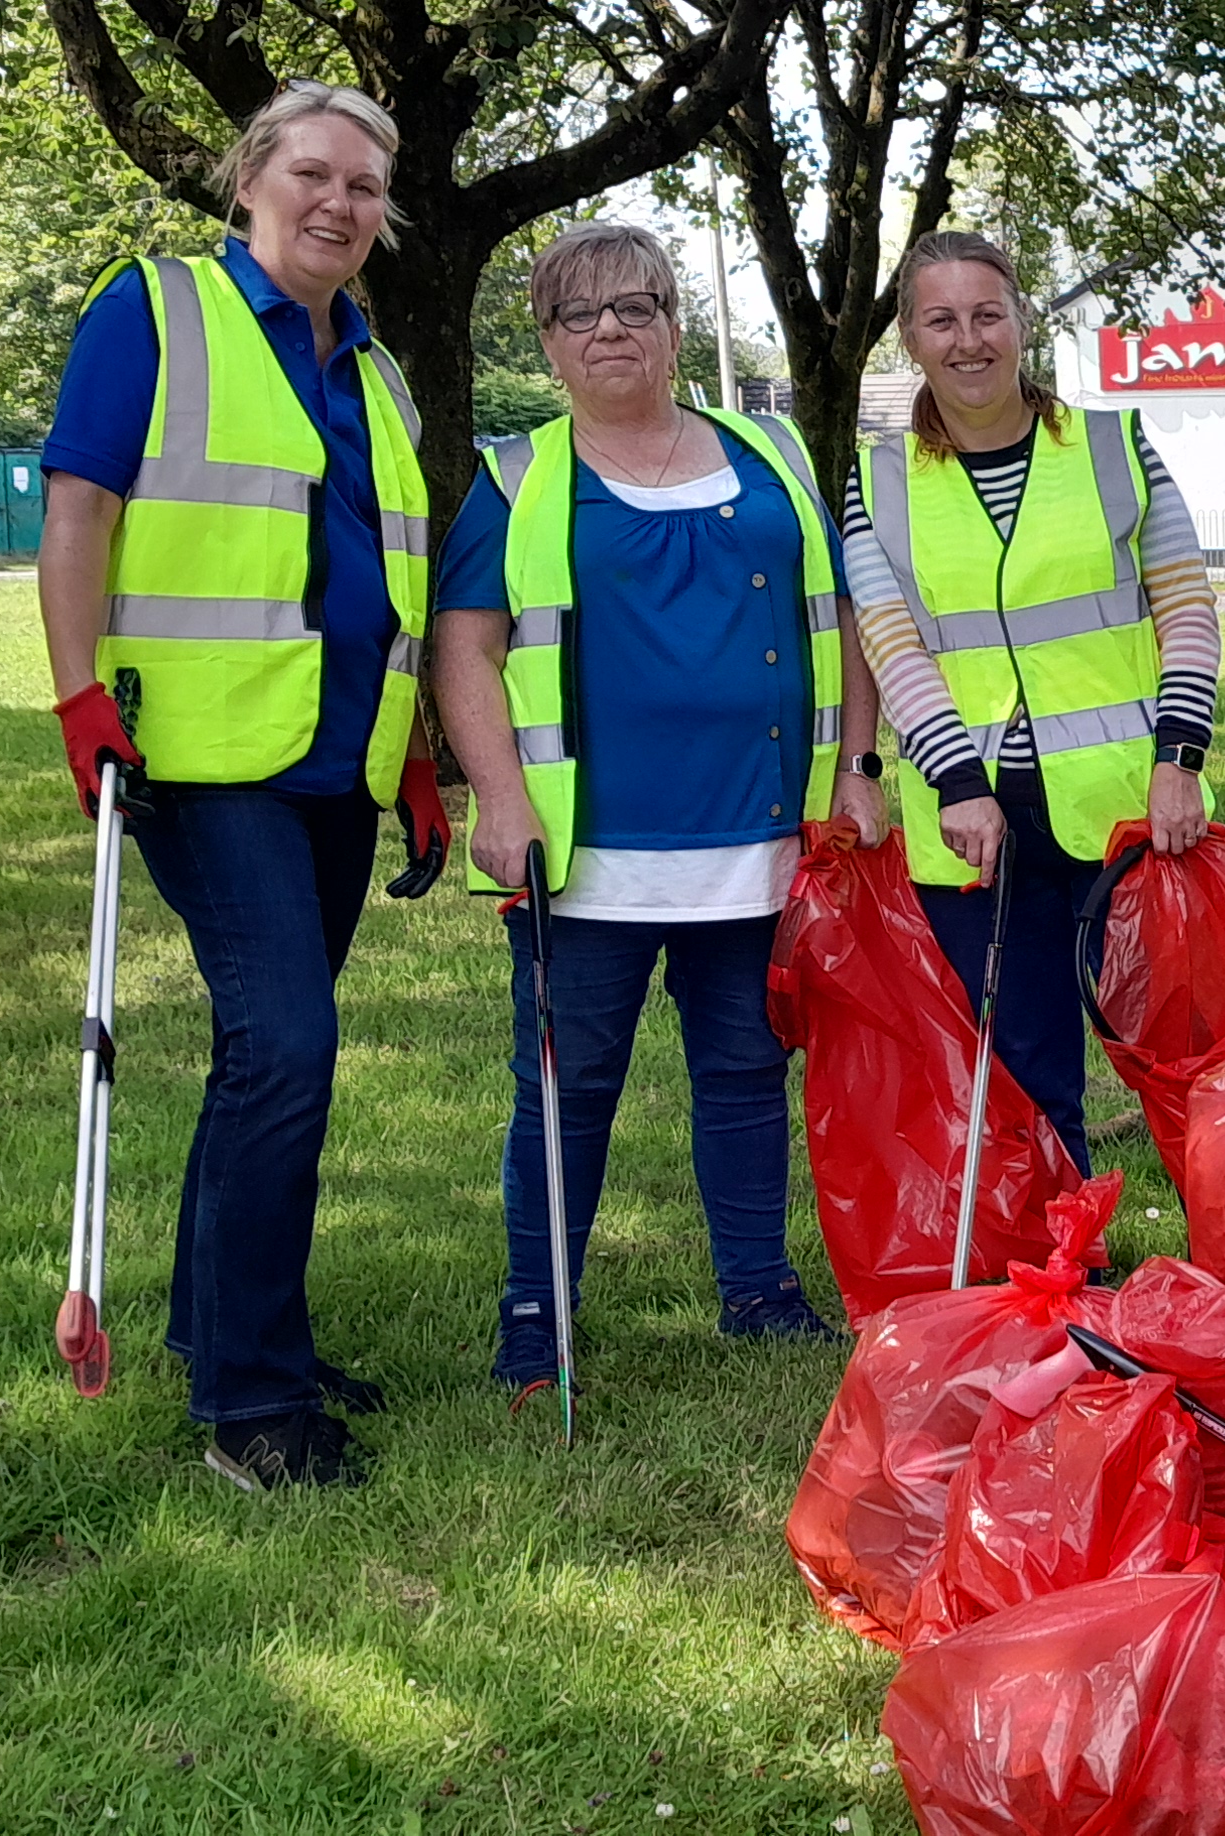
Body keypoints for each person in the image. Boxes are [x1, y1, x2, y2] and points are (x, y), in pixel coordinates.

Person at [38, 81, 450, 1492]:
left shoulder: (376, 368)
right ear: (250, 179)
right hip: (202, 758)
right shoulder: (154, 312)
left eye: (365, 188)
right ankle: (253, 1406)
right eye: (315, 175)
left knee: (262, 1055)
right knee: (289, 1046)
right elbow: (80, 508)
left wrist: (414, 759)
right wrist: (76, 688)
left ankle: (223, 1324)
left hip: (336, 762)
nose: (339, 205)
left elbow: (385, 572)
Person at [429, 222, 852, 1381]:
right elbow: (464, 650)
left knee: (745, 1071)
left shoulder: (771, 451)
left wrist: (857, 772)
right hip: (586, 855)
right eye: (579, 314)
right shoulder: (516, 478)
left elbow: (848, 618)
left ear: (677, 326)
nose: (609, 329)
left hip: (758, 838)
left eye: (636, 307)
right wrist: (499, 800)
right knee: (568, 1088)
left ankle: (759, 1291)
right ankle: (536, 1315)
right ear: (551, 348)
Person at [831, 231, 1222, 1172]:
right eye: (941, 321)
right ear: (912, 342)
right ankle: (1063, 1269)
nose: (969, 340)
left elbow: (1188, 609)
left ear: (1023, 325)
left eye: (987, 314)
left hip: (1132, 809)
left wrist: (1180, 760)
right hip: (972, 820)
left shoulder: (1113, 446)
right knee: (1023, 1068)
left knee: (1191, 1059)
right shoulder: (877, 480)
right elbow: (892, 642)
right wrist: (958, 782)